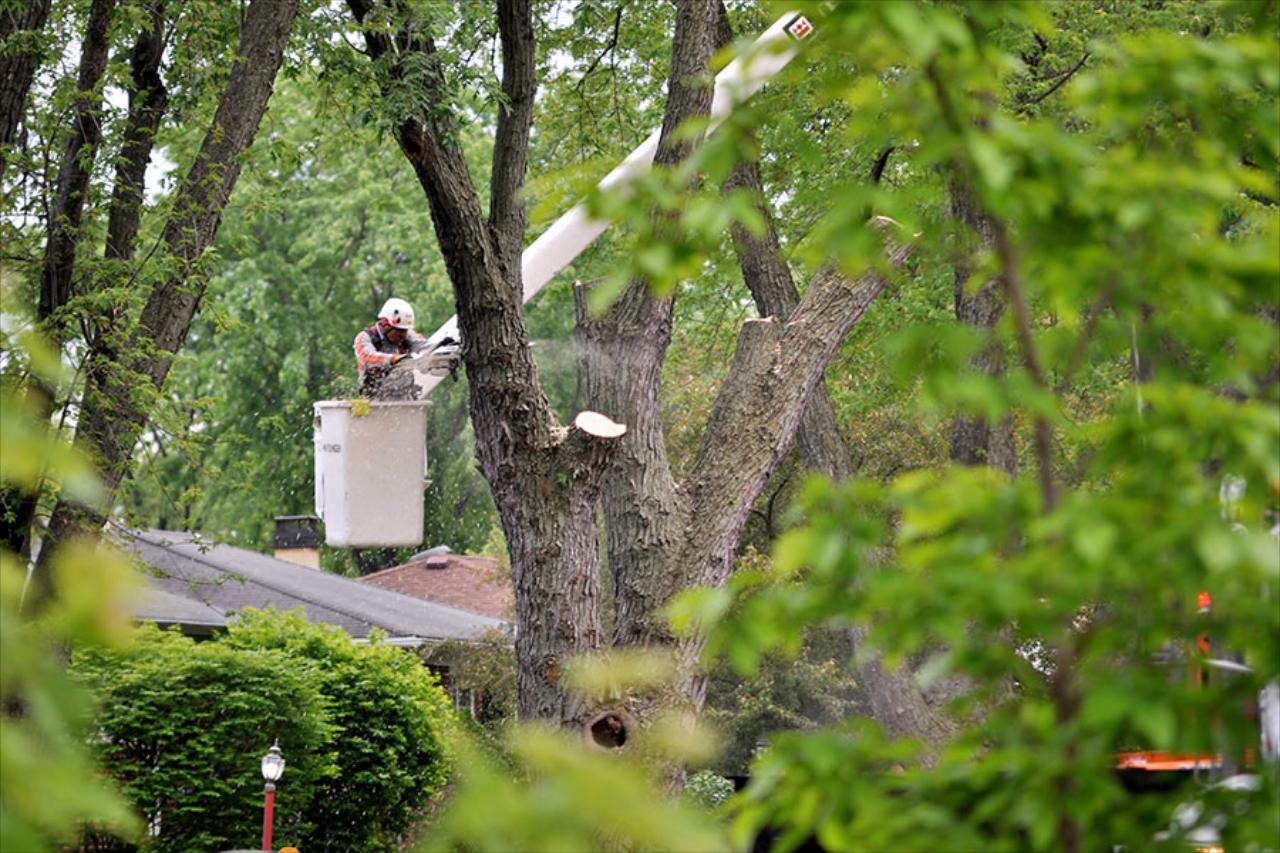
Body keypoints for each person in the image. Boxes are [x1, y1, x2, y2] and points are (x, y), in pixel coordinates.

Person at [354, 297, 431, 399]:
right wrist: (393, 359)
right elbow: (366, 357)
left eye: (406, 330)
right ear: (386, 325)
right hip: (374, 399)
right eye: (399, 331)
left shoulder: (407, 334)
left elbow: (423, 345)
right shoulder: (364, 338)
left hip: (404, 397)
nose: (404, 335)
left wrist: (440, 348)